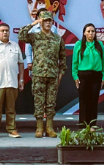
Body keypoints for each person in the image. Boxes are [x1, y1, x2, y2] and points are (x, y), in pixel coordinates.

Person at [19, 10, 67, 138]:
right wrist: (34, 23)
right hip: (38, 74)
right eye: (44, 21)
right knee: (39, 102)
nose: (47, 23)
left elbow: (62, 57)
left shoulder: (57, 38)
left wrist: (61, 73)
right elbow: (21, 35)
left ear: (52, 22)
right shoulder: (35, 36)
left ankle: (49, 128)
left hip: (52, 75)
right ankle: (39, 128)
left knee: (51, 103)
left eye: (49, 21)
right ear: (41, 22)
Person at [72, 23, 104, 127]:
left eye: (93, 31)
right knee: (83, 100)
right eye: (88, 31)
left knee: (93, 100)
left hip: (96, 76)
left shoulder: (99, 45)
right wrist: (75, 76)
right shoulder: (79, 44)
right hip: (83, 75)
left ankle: (92, 125)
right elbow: (74, 62)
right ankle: (83, 125)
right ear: (84, 33)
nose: (91, 33)